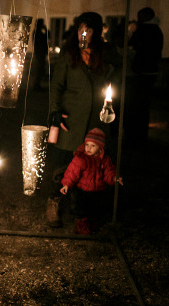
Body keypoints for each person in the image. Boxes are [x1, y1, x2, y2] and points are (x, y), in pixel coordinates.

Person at [44, 11, 121, 227]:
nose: (83, 33)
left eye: (88, 29)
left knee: (90, 167)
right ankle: (54, 203)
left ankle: (82, 212)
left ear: (97, 31)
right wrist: (55, 111)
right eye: (80, 29)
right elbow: (57, 86)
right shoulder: (69, 55)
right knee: (63, 166)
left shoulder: (105, 54)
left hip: (94, 122)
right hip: (69, 120)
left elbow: (116, 80)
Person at [60, 128, 123, 234]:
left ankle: (93, 224)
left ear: (100, 147)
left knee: (95, 209)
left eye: (93, 146)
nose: (88, 148)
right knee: (82, 210)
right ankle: (81, 226)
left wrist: (114, 178)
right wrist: (66, 184)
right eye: (87, 145)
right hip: (83, 190)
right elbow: (72, 172)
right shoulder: (81, 159)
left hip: (98, 190)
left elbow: (109, 171)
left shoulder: (105, 160)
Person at [126, 7, 163, 147]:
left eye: (140, 16)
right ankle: (142, 135)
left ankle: (134, 136)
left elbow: (132, 45)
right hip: (152, 71)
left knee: (136, 105)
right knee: (144, 105)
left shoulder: (143, 30)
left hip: (140, 72)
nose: (139, 19)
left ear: (146, 16)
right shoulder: (158, 31)